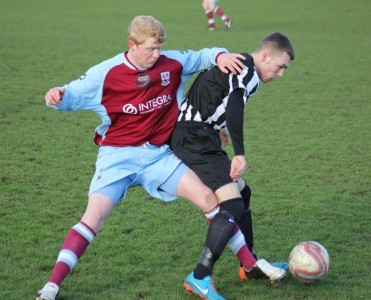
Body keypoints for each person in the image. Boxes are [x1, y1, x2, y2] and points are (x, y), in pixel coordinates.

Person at [35, 15, 247, 300]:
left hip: (159, 157)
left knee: (210, 199)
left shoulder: (169, 64)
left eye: (159, 48)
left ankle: (250, 264)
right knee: (93, 217)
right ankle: (51, 286)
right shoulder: (105, 74)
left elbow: (201, 57)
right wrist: (57, 96)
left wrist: (220, 55)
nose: (156, 55)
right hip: (118, 158)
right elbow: (69, 95)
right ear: (131, 45)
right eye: (150, 49)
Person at [170, 32, 295, 299]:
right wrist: (239, 153)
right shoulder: (247, 69)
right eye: (280, 66)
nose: (280, 73)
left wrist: (220, 128)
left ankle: (249, 265)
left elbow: (221, 99)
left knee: (242, 192)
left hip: (202, 135)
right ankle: (200, 275)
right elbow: (235, 104)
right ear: (265, 55)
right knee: (232, 203)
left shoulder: (244, 69)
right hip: (193, 136)